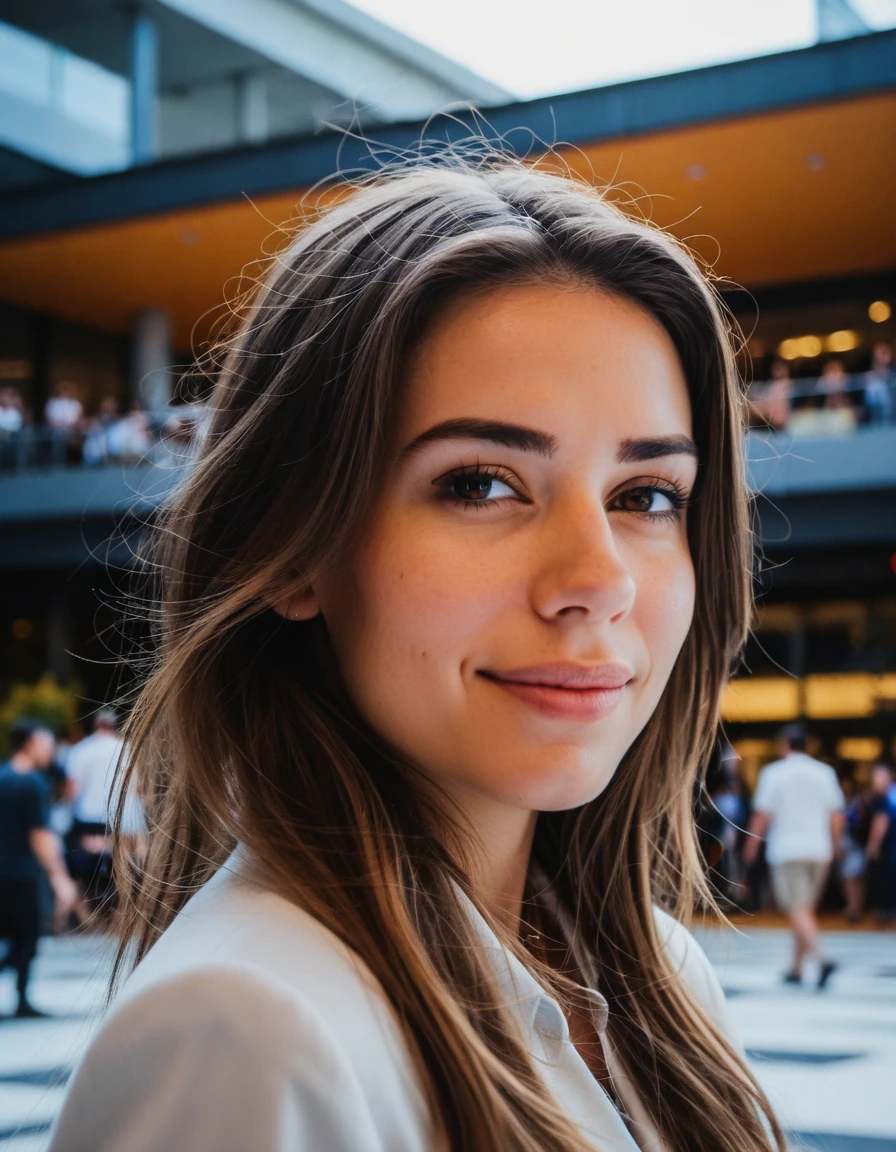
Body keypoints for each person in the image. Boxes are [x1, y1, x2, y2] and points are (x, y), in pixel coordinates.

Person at [49, 158, 786, 1152]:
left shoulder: (653, 978)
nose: (598, 578)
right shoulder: (249, 1033)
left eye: (645, 495)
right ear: (292, 544)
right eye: (482, 484)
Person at [744, 724, 845, 988]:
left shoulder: (773, 774)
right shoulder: (825, 773)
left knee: (797, 909)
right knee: (805, 910)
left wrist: (751, 846)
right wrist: (835, 846)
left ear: (784, 745)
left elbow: (762, 815)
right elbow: (836, 815)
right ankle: (796, 968)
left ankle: (822, 960)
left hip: (787, 850)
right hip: (819, 850)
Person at [0, 719, 77, 1018]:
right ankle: (22, 1000)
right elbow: (41, 836)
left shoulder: (3, 775)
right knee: (27, 937)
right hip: (22, 872)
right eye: (46, 744)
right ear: (30, 744)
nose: (51, 750)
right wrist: (60, 877)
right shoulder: (32, 782)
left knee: (12, 935)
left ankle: (21, 999)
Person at [866, 764, 896, 921]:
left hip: (890, 848)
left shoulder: (887, 798)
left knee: (887, 880)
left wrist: (873, 845)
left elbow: (881, 821)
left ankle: (887, 912)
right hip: (890, 847)